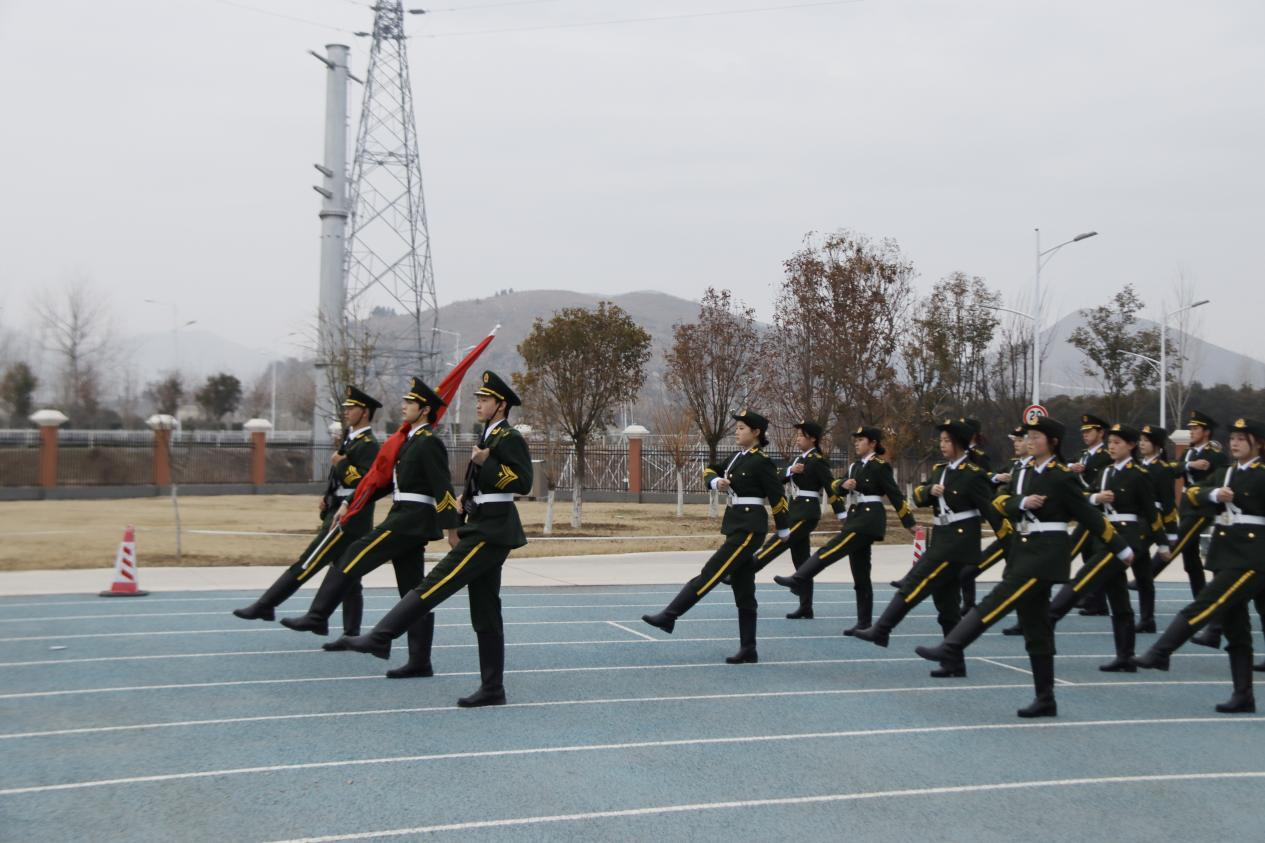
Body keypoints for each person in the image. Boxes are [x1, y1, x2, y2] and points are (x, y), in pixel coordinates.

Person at [914, 416, 1135, 718]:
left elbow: (1089, 515)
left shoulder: (1061, 476)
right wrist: (1020, 503)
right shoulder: (1023, 472)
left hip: (1047, 556)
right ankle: (1045, 698)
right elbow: (999, 502)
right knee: (1037, 628)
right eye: (1028, 436)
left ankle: (953, 645)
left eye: (1036, 436)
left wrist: (1120, 548)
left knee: (999, 598)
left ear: (1052, 442)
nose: (1029, 441)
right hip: (1023, 550)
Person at [344, 371, 534, 708]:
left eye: (485, 399)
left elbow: (523, 481)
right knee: (486, 611)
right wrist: (462, 508)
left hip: (493, 530)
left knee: (436, 583)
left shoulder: (507, 437)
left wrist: (487, 463)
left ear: (501, 405)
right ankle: (493, 688)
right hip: (480, 523)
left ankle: (381, 636)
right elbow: (480, 487)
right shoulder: (487, 434)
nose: (478, 403)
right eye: (478, 398)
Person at [279, 377, 459, 679]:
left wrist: (452, 528)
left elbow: (443, 487)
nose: (402, 407)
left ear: (425, 409)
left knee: (354, 552)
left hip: (410, 519)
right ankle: (420, 661)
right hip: (405, 514)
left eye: (409, 403)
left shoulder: (429, 442)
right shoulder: (410, 440)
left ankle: (317, 614)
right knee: (414, 593)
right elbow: (385, 483)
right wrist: (354, 503)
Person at [1132, 417, 1265, 714]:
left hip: (1252, 557)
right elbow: (1193, 495)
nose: (1235, 443)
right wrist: (1213, 494)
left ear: (1257, 444)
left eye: (1242, 438)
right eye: (1233, 437)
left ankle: (1160, 651)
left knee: (1205, 604)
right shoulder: (1225, 473)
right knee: (1236, 628)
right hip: (1225, 553)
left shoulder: (1262, 475)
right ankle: (1243, 695)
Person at [852, 419, 1003, 678]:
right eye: (941, 440)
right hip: (942, 537)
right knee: (947, 605)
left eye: (947, 441)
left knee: (915, 583)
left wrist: (1008, 542)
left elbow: (991, 511)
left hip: (958, 543)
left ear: (960, 443)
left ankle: (882, 629)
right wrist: (930, 490)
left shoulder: (973, 474)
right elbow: (919, 497)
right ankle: (954, 663)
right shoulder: (941, 470)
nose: (942, 445)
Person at [231, 385, 380, 644]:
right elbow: (339, 478)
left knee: (310, 559)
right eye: (345, 407)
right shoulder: (351, 438)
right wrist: (328, 496)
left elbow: (366, 482)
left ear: (364, 412)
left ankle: (267, 604)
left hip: (350, 517)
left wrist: (342, 464)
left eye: (351, 408)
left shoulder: (369, 444)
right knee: (348, 574)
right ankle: (346, 631)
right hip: (339, 510)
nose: (346, 411)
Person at [642, 409, 790, 664]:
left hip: (750, 527)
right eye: (737, 427)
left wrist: (784, 528)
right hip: (736, 524)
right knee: (744, 590)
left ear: (756, 433)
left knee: (711, 573)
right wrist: (715, 482)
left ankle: (670, 616)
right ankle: (749, 649)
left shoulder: (761, 461)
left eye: (742, 428)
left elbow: (777, 496)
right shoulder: (735, 458)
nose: (737, 431)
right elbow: (710, 470)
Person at [772, 426, 916, 635]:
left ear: (873, 443)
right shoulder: (856, 466)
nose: (856, 443)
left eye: (861, 440)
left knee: (831, 549)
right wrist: (843, 484)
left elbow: (895, 495)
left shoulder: (879, 466)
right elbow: (835, 487)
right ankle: (864, 623)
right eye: (855, 440)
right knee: (860, 573)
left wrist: (909, 522)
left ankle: (798, 578)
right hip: (856, 515)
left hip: (869, 518)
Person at [1045, 424, 1160, 672]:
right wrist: (1096, 498)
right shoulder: (1106, 472)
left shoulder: (1139, 473)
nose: (1112, 446)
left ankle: (1051, 615)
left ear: (1130, 446)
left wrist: (1163, 543)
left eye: (1118, 442)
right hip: (1105, 537)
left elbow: (1151, 513)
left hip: (1126, 538)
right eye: (1110, 442)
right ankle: (1125, 657)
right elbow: (1085, 497)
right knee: (1118, 597)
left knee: (1085, 576)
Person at [748, 420, 834, 619]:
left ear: (812, 438)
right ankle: (806, 607)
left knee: (779, 541)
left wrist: (841, 513)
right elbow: (778, 478)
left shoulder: (817, 460)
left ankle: (748, 570)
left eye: (801, 436)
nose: (798, 439)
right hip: (796, 509)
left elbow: (831, 488)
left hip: (807, 512)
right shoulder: (798, 460)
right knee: (802, 560)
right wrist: (790, 471)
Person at [1150, 410, 1227, 600]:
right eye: (1190, 428)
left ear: (1206, 432)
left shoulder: (1214, 454)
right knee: (1190, 561)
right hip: (1186, 505)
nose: (1191, 431)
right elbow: (1172, 470)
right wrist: (1189, 465)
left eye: (1195, 428)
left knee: (1177, 540)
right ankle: (1200, 600)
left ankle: (1149, 573)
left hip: (1203, 507)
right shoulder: (1189, 452)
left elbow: (1219, 479)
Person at [958, 425, 1028, 613]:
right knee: (971, 570)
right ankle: (972, 606)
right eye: (1016, 440)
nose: (1016, 444)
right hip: (1008, 531)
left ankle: (1024, 619)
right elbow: (992, 485)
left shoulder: (1036, 469)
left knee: (1016, 577)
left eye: (1020, 440)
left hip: (1026, 534)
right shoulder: (1015, 466)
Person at [1133, 424, 1179, 633]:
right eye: (1140, 440)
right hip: (1137, 519)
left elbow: (1168, 503)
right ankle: (1147, 619)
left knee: (1130, 558)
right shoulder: (1137, 465)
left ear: (1157, 445)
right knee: (1142, 571)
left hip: (1154, 522)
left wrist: (1170, 535)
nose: (1142, 444)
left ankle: (1145, 618)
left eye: (1146, 440)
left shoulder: (1162, 469)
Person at [1068, 413, 1114, 616]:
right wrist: (1072, 468)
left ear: (1100, 433)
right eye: (1084, 432)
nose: (1085, 435)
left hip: (1097, 509)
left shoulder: (1105, 456)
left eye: (1089, 431)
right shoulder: (1083, 455)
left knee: (1092, 554)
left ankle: (1096, 599)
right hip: (1084, 508)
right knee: (1088, 556)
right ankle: (1092, 598)